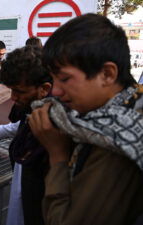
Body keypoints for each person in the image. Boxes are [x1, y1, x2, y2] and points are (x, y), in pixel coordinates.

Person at [28, 13, 143, 225]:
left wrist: (57, 155)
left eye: (64, 79)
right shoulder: (116, 111)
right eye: (53, 80)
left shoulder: (115, 145)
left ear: (107, 74)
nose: (56, 91)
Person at [0, 46, 52, 225]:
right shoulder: (35, 108)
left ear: (44, 89)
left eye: (19, 91)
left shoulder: (53, 129)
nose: (13, 97)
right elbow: (23, 124)